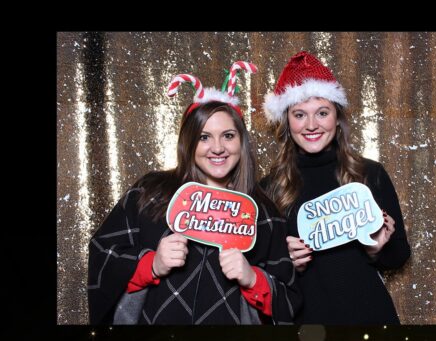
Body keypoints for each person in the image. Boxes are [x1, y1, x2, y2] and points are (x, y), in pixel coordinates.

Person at [88, 63, 300, 324]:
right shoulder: (150, 192)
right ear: (188, 142)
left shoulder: (263, 213)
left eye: (228, 136)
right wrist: (151, 264)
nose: (218, 148)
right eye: (204, 137)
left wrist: (253, 279)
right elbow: (102, 255)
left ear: (241, 142)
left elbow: (290, 298)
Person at [261, 51, 410, 324]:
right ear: (287, 121)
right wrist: (285, 262)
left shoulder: (370, 174)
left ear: (337, 118)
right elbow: (258, 275)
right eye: (299, 115)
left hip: (368, 319)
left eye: (322, 113)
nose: (311, 125)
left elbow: (399, 254)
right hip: (304, 327)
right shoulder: (268, 188)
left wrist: (376, 249)